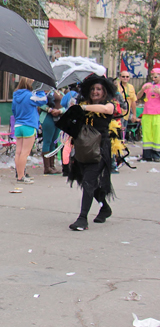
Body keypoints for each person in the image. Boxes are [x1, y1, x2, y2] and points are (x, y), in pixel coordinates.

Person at [64, 75, 116, 231]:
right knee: (85, 179)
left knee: (89, 180)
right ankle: (105, 208)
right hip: (82, 148)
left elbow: (107, 110)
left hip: (99, 149)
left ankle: (82, 219)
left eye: (99, 89)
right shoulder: (82, 105)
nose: (95, 92)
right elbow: (72, 124)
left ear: (104, 92)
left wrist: (83, 108)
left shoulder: (108, 105)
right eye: (93, 89)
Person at [11, 77, 46, 184]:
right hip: (29, 125)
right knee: (25, 153)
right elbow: (43, 100)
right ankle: (21, 176)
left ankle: (19, 175)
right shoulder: (30, 96)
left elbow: (13, 110)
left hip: (18, 125)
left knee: (18, 152)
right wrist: (40, 89)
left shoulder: (15, 95)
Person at [136, 68, 160, 162]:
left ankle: (157, 155)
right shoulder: (148, 85)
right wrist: (142, 90)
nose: (154, 78)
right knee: (146, 134)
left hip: (158, 114)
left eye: (156, 76)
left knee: (157, 134)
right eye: (152, 76)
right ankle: (147, 155)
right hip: (147, 113)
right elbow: (137, 97)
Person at [39, 90, 64, 175]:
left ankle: (52, 166)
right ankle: (47, 167)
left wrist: (60, 111)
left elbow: (66, 105)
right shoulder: (46, 91)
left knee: (54, 142)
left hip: (59, 119)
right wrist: (49, 109)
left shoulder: (61, 92)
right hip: (48, 118)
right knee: (47, 141)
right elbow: (39, 103)